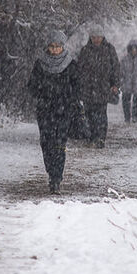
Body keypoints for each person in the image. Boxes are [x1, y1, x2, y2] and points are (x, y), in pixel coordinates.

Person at [27, 30, 80, 194]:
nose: (55, 49)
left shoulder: (71, 64)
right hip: (45, 110)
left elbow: (77, 87)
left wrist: (70, 99)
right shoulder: (40, 64)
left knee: (59, 144)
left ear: (63, 47)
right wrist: (42, 92)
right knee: (46, 143)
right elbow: (32, 86)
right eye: (52, 46)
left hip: (64, 111)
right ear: (48, 47)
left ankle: (56, 178)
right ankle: (51, 171)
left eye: (58, 46)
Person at [76, 25, 120, 148]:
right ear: (90, 37)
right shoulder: (85, 50)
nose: (96, 39)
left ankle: (100, 139)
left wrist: (115, 84)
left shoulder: (110, 50)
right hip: (87, 88)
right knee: (89, 114)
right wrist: (79, 85)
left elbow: (115, 68)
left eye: (98, 37)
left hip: (102, 88)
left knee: (101, 114)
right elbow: (79, 69)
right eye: (94, 37)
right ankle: (91, 137)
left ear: (103, 37)